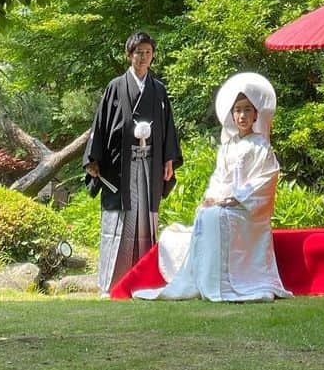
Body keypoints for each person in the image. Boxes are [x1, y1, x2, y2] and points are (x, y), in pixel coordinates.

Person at [134, 72, 291, 302]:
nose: (242, 115)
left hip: (247, 212)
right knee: (206, 214)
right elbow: (219, 179)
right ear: (231, 115)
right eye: (237, 110)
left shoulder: (261, 147)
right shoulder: (227, 147)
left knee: (215, 217)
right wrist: (213, 197)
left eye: (247, 109)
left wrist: (236, 198)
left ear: (256, 114)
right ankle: (206, 281)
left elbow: (265, 180)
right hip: (226, 205)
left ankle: (227, 283)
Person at [84, 32, 183, 293]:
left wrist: (169, 159)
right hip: (120, 166)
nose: (143, 57)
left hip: (150, 163)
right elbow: (101, 124)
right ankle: (113, 284)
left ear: (152, 56)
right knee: (118, 221)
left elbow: (167, 128)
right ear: (129, 54)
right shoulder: (116, 87)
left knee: (146, 221)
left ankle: (145, 282)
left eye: (148, 52)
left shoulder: (158, 90)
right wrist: (93, 158)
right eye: (138, 52)